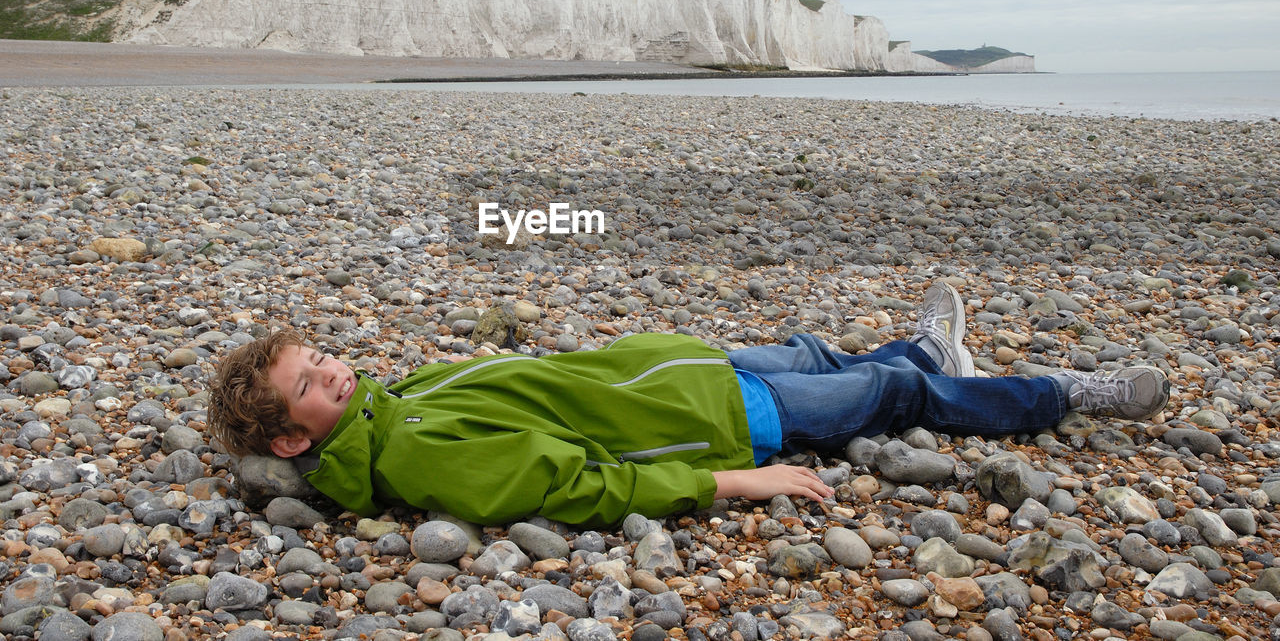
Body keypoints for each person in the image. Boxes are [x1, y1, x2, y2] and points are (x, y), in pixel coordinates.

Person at [207, 281, 1169, 526]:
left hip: (686, 370)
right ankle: (1061, 396)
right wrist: (732, 482)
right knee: (888, 395)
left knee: (813, 348)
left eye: (321, 354)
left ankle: (930, 344)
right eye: (311, 382)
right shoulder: (408, 450)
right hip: (717, 422)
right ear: (296, 436)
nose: (335, 369)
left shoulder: (385, 402)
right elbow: (570, 484)